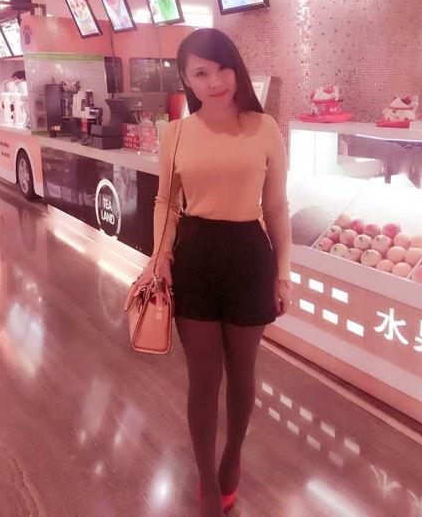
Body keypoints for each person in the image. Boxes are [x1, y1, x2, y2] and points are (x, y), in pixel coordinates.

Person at [133, 28, 292, 517]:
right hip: (195, 257)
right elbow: (166, 201)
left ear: (236, 69)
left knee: (243, 373)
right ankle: (206, 479)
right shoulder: (177, 133)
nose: (215, 81)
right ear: (186, 79)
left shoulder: (265, 128)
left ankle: (232, 458)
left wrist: (283, 273)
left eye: (222, 68)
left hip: (249, 257)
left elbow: (277, 206)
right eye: (201, 72)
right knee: (203, 379)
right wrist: (160, 256)